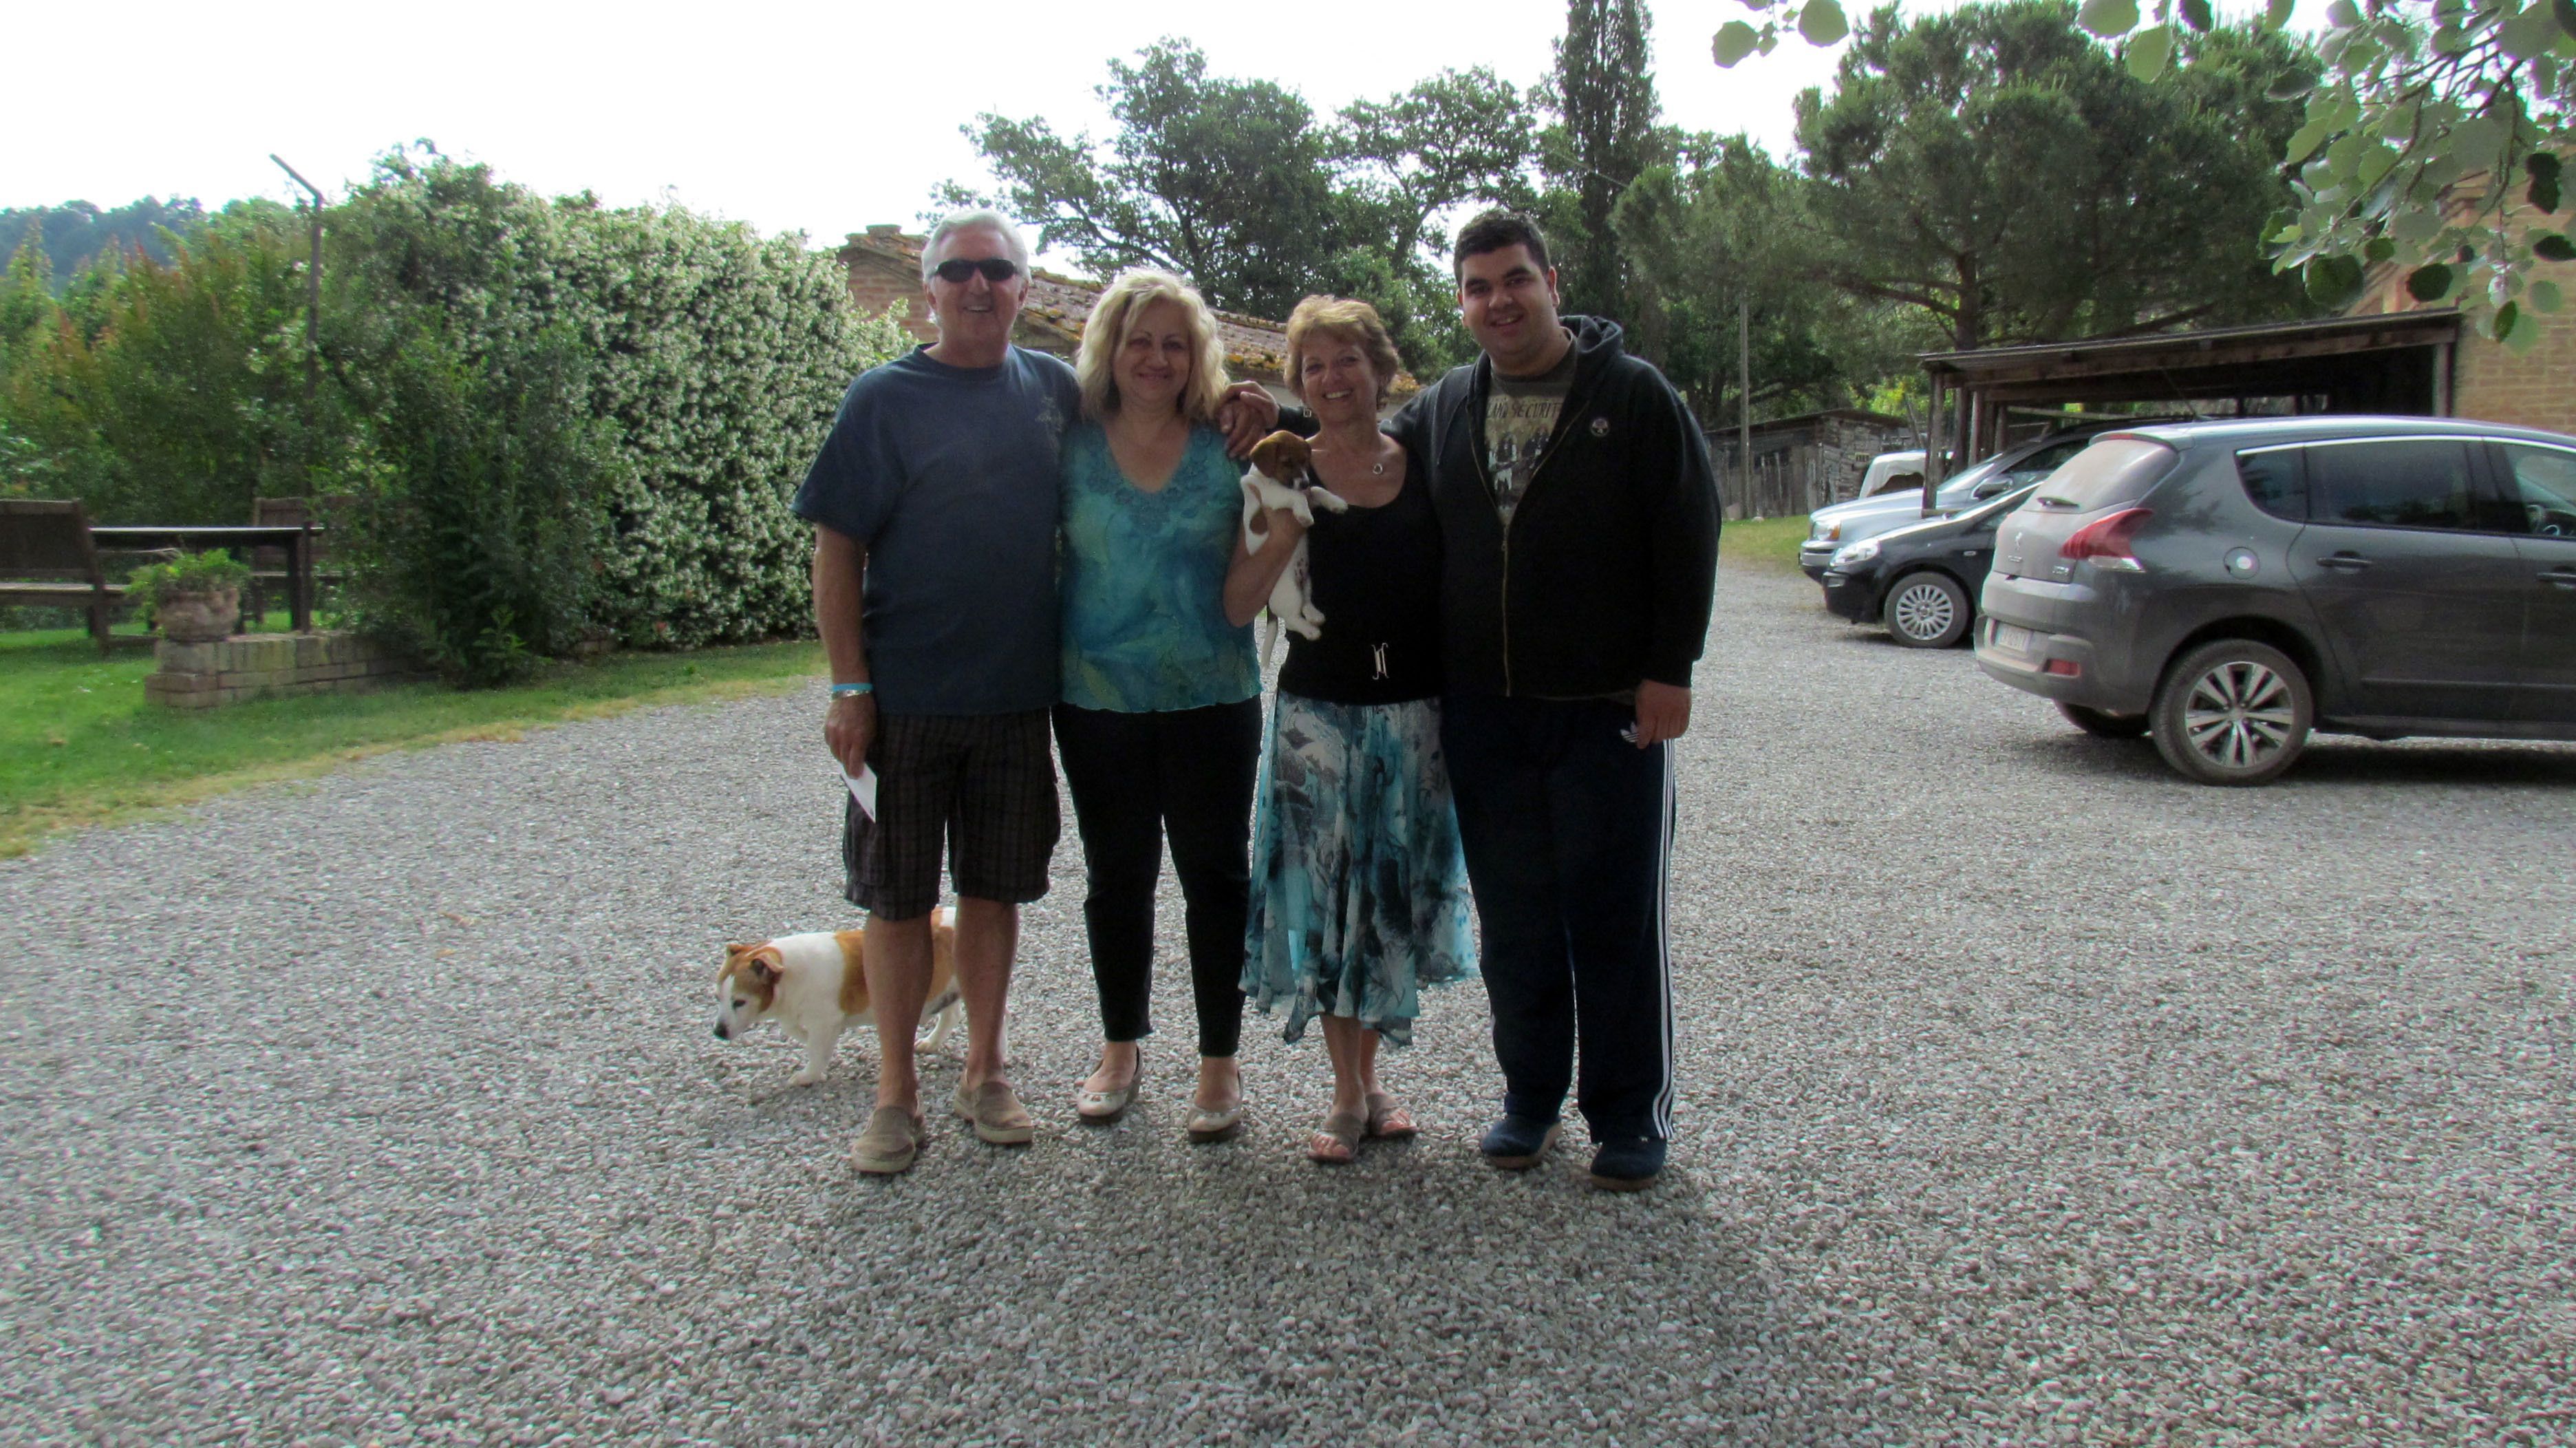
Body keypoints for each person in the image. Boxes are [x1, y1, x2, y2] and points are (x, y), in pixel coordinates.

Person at [1386, 210, 1719, 1191]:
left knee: (1614, 919)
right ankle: (1530, 1097)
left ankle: (1628, 1113)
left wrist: (1670, 668)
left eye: (1515, 279)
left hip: (1605, 707)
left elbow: (1689, 529)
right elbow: (1361, 454)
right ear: (1461, 302)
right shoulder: (1445, 404)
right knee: (1517, 919)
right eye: (1478, 287)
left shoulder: (1632, 394)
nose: (1499, 301)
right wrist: (1262, 420)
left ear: (1553, 283)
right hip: (1484, 712)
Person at [794, 208, 1073, 1175]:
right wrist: (849, 686)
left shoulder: (1053, 390)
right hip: (903, 703)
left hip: (1014, 701)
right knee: (898, 899)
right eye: (958, 271)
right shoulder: (884, 399)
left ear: (1024, 287)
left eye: (997, 269)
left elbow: (1155, 415)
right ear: (930, 289)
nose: (978, 286)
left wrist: (1240, 405)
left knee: (993, 892)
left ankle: (985, 1071)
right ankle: (895, 1092)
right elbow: (837, 549)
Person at [1227, 295, 1475, 1166]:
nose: (1332, 378)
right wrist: (1286, 523)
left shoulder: (1426, 463)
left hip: (1414, 720)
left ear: (1380, 369)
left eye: (1347, 360)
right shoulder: (1282, 469)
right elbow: (1238, 602)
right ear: (1300, 383)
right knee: (1330, 905)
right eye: (1314, 366)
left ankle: (1372, 1084)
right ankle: (1346, 1094)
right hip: (1318, 723)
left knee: (1387, 903)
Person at [1054, 269, 1263, 1144]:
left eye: (1176, 343)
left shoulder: (1231, 439)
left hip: (1212, 695)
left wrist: (1266, 408)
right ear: (1111, 347)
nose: (1156, 358)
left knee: (1216, 877)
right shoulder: (1067, 441)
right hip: (1095, 698)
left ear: (1196, 355)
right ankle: (1120, 1047)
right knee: (1118, 876)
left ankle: (1220, 1060)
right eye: (1140, 340)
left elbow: (1314, 459)